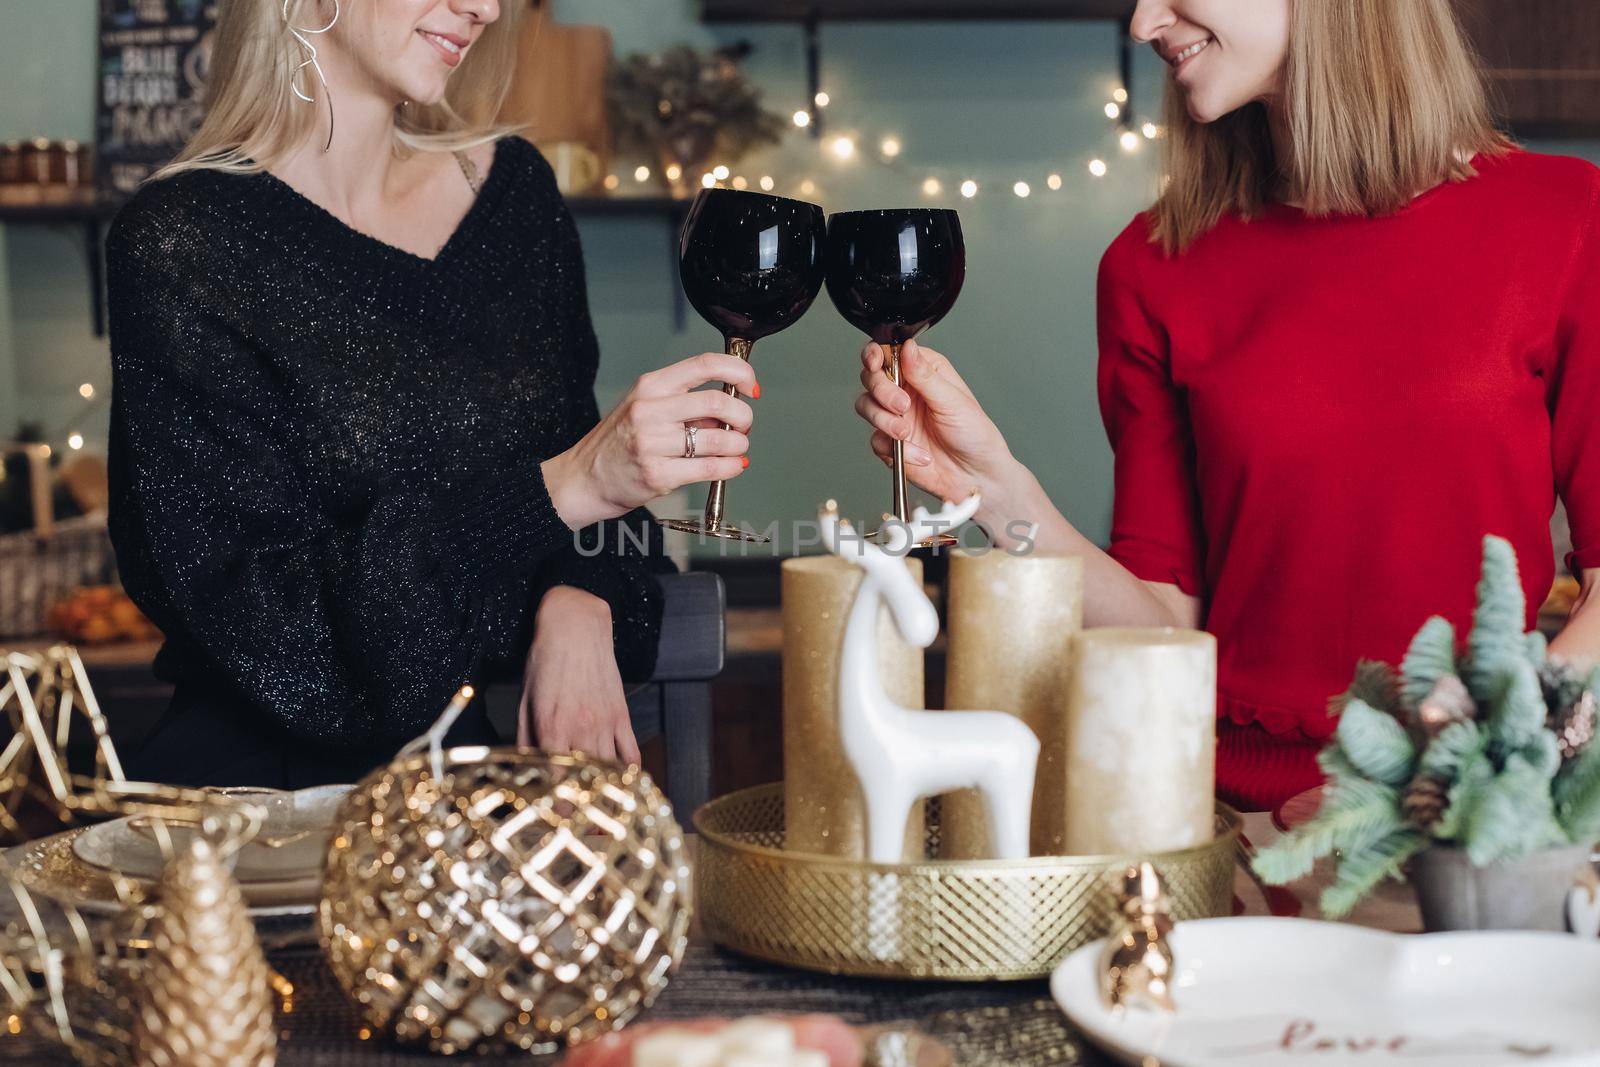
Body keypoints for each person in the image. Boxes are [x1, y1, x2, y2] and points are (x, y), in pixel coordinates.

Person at [854, 0, 1600, 812]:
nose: (1142, 23)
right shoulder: (1152, 267)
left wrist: (1505, 765)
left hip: (1481, 821)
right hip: (1235, 824)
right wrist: (1001, 496)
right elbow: (1166, 627)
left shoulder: (1564, 219)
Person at [107, 0, 755, 787]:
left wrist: (580, 600)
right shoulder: (181, 243)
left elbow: (609, 520)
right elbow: (282, 641)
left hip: (487, 805)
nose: (482, 8)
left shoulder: (512, 198)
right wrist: (563, 490)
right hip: (264, 825)